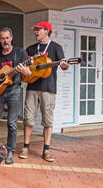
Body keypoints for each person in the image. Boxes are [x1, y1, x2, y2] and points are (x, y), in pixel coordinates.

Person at [20, 21, 69, 162]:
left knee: (47, 120)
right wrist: (30, 61)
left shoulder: (56, 47)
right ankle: (25, 147)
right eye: (35, 30)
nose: (35, 32)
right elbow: (23, 65)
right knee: (28, 118)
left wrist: (64, 65)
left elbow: (63, 65)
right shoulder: (30, 48)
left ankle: (46, 149)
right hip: (32, 87)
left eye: (38, 29)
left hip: (49, 88)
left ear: (46, 31)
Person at [0, 27, 31, 164]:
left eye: (7, 38)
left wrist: (24, 72)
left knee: (12, 124)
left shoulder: (20, 53)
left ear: (11, 38)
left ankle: (10, 151)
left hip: (14, 90)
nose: (5, 41)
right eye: (2, 38)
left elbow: (29, 74)